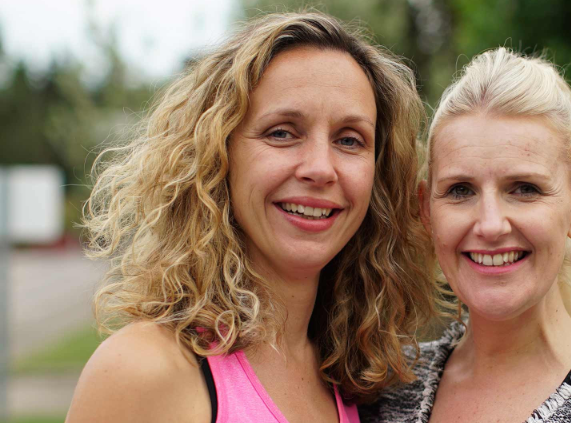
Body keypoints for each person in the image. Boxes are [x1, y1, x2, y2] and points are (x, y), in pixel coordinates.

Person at [66, 12, 438, 423]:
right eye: (282, 132)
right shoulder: (146, 370)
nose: (320, 168)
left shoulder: (359, 382)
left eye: (349, 140)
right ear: (217, 156)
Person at [360, 48, 571, 422]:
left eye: (525, 189)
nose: (490, 225)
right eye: (461, 190)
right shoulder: (382, 392)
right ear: (426, 209)